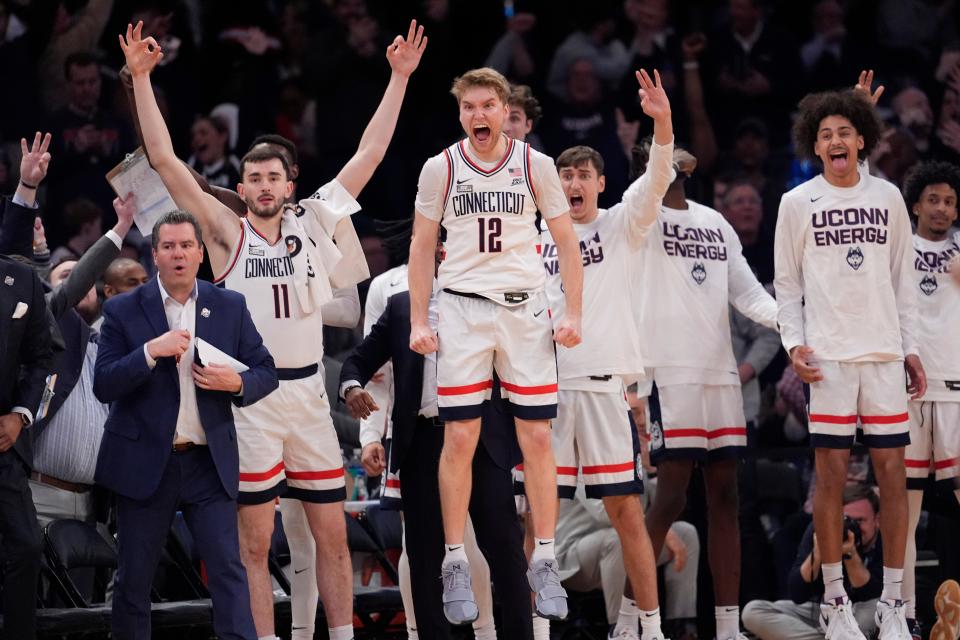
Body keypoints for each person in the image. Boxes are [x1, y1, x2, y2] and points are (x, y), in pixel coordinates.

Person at [121, 19, 426, 639]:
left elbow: (369, 154)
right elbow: (163, 159)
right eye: (253, 178)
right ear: (242, 187)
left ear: (291, 184)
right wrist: (142, 80)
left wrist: (397, 79)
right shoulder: (225, 232)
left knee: (333, 538)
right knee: (254, 546)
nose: (263, 186)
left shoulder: (313, 220)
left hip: (310, 395)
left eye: (274, 178)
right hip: (248, 398)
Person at [408, 65, 583, 623]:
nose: (478, 115)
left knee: (536, 434)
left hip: (525, 308)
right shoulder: (440, 168)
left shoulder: (536, 165)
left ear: (506, 111)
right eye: (468, 107)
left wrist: (572, 310)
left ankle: (547, 559)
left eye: (488, 106)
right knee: (459, 435)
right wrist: (419, 317)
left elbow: (566, 242)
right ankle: (455, 560)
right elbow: (419, 247)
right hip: (461, 308)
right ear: (460, 114)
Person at [774, 88, 925, 640]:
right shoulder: (797, 203)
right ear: (814, 146)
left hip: (883, 354)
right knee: (830, 481)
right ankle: (834, 600)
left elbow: (903, 282)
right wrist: (795, 344)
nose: (835, 140)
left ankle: (892, 603)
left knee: (893, 477)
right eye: (825, 134)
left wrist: (910, 348)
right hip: (830, 358)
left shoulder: (887, 197)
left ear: (862, 140)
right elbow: (786, 288)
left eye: (844, 131)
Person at [93, 210, 277, 639]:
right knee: (134, 578)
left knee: (229, 572)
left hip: (207, 462)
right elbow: (103, 384)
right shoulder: (122, 309)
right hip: (144, 462)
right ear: (154, 254)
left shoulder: (228, 304)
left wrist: (236, 383)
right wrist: (149, 353)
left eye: (186, 246)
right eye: (169, 246)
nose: (178, 254)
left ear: (200, 254)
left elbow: (266, 371)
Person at [339, 238, 532, 639]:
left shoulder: (493, 299)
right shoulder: (399, 306)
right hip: (423, 442)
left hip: (482, 438)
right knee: (424, 556)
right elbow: (358, 360)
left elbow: (525, 367)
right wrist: (351, 387)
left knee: (504, 552)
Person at [540, 68, 673, 640]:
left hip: (598, 388)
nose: (572, 182)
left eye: (581, 175)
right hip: (543, 392)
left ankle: (650, 625)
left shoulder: (623, 224)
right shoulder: (536, 238)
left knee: (626, 513)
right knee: (537, 522)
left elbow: (658, 177)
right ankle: (535, 628)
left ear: (598, 183)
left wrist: (661, 122)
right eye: (564, 174)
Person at [634, 134, 779, 640]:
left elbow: (749, 295)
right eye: (658, 157)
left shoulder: (716, 223)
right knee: (670, 499)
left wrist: (794, 326)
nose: (668, 165)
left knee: (726, 497)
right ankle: (633, 621)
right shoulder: (640, 221)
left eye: (673, 157)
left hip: (719, 376)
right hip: (668, 376)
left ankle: (726, 627)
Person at [30, 193, 136, 524]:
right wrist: (119, 229)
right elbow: (41, 296)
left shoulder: (109, 341)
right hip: (39, 498)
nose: (82, 282)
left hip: (94, 504)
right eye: (68, 277)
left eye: (87, 277)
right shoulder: (45, 332)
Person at [899, 160, 960, 636]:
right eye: (934, 200)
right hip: (910, 391)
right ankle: (903, 614)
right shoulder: (898, 245)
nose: (942, 208)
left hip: (958, 390)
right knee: (905, 507)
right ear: (916, 203)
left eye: (951, 201)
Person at [0, 226, 54, 640]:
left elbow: (41, 357)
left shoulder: (21, 280)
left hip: (4, 444)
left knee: (27, 545)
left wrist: (20, 414)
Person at [743, 483, 884, 639]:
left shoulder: (884, 538)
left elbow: (870, 593)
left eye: (860, 521)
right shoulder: (821, 529)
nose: (851, 527)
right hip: (822, 610)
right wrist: (817, 554)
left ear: (876, 520)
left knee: (873, 611)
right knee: (753, 611)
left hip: (862, 610)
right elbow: (797, 594)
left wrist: (849, 554)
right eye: (845, 520)